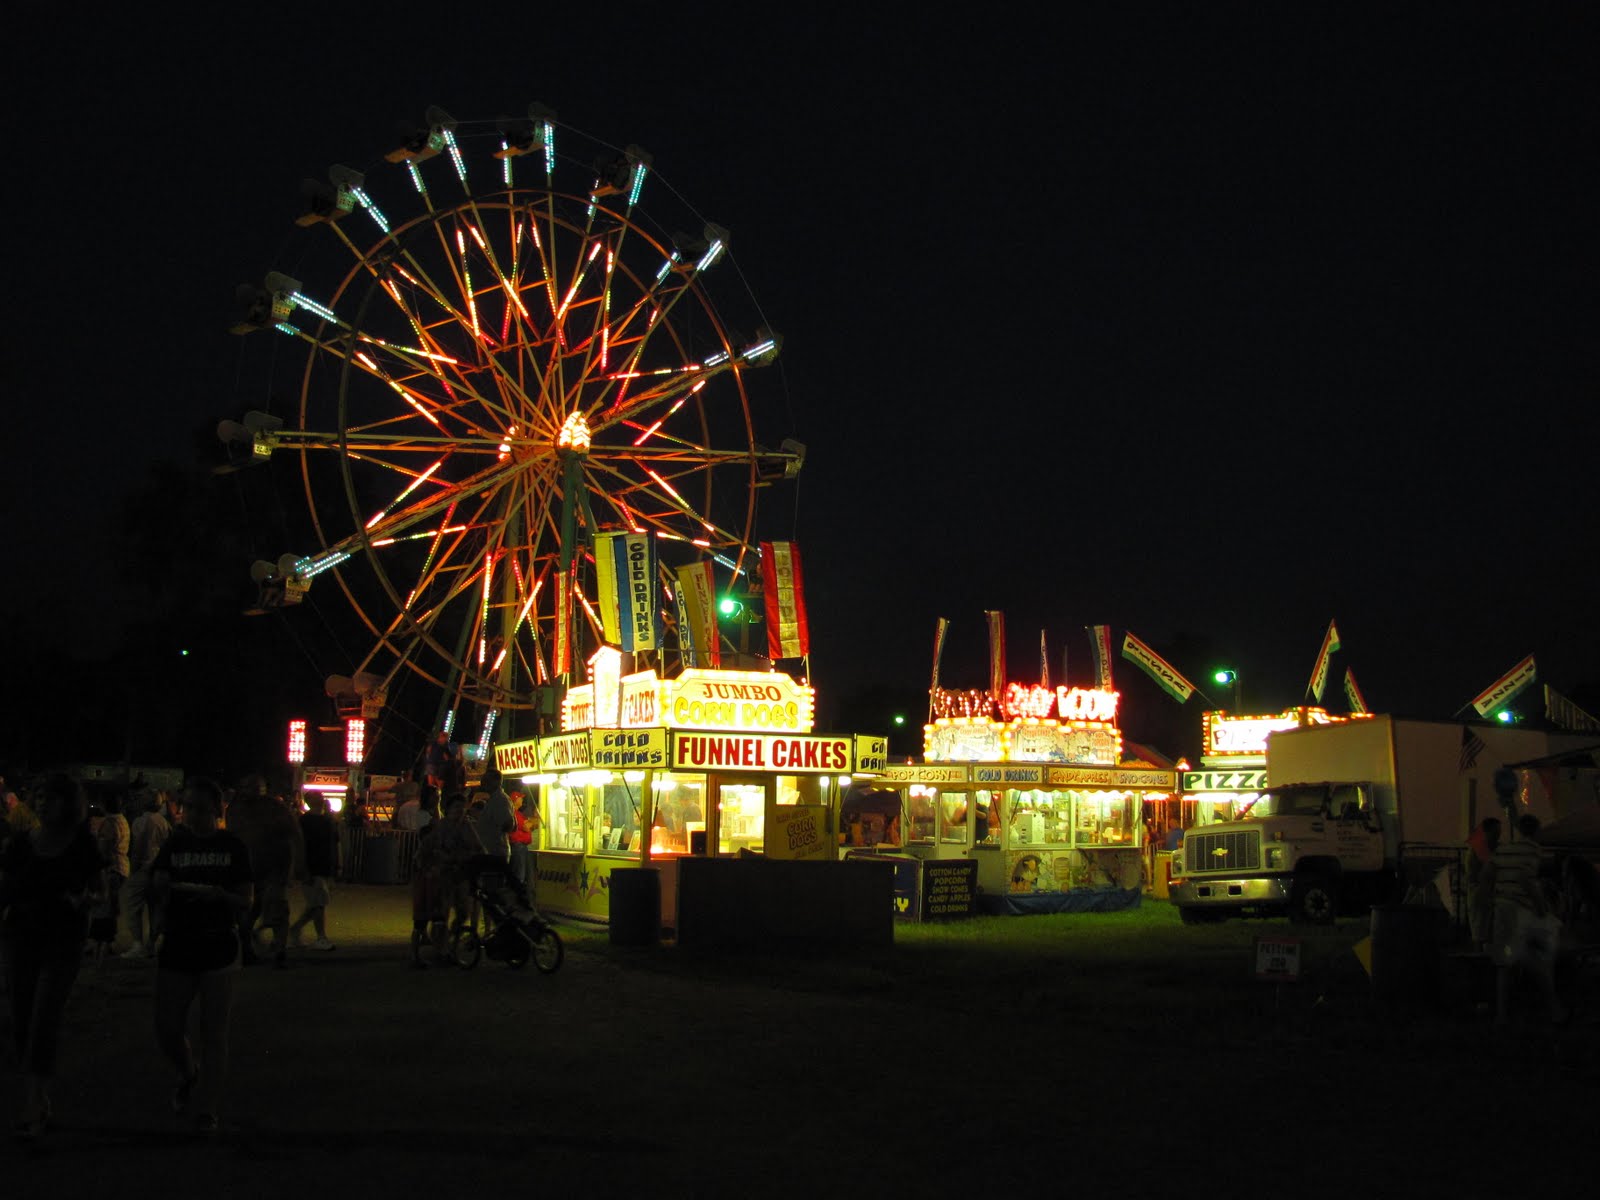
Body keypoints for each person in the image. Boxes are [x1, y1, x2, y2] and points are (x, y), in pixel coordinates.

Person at [0, 773, 104, 1139]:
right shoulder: (21, 844)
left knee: (44, 1015)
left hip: (62, 940)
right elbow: (6, 886)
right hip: (22, 937)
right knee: (23, 1018)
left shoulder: (80, 844)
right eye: (39, 795)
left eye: (52, 797)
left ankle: (35, 1099)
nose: (43, 803)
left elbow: (98, 891)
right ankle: (36, 1097)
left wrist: (82, 901)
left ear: (69, 803)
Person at [151, 778, 254, 1136]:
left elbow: (245, 899)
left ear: (216, 810)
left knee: (214, 1032)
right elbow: (159, 882)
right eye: (186, 806)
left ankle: (208, 1108)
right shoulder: (175, 842)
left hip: (218, 945)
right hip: (179, 943)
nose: (190, 814)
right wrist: (161, 889)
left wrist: (220, 896)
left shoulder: (232, 847)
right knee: (167, 1026)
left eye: (198, 807)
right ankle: (186, 1071)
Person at [1484, 812, 1565, 1026]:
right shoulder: (1534, 850)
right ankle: (1554, 1010)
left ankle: (1501, 1016)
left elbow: (1488, 874)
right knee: (1540, 959)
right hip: (1522, 913)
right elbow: (1526, 879)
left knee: (1504, 964)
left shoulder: (1503, 850)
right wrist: (1541, 907)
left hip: (1502, 910)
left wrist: (1493, 896)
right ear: (1537, 831)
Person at [122, 790, 174, 959]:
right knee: (156, 907)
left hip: (143, 869)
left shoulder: (141, 821)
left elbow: (138, 847)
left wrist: (134, 868)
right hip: (159, 870)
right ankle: (151, 943)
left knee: (133, 906)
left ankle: (138, 944)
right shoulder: (163, 822)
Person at [289, 792, 339, 951]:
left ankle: (297, 929)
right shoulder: (307, 821)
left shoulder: (324, 820)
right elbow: (300, 845)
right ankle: (320, 936)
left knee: (317, 903)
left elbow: (333, 844)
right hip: (313, 866)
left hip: (321, 866)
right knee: (319, 903)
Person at [88, 792, 131, 964]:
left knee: (103, 909)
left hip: (111, 869)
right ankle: (106, 944)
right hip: (122, 867)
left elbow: (103, 850)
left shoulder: (109, 823)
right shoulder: (122, 820)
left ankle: (101, 946)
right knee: (111, 908)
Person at [433, 793, 484, 934]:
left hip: (461, 873)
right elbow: (435, 848)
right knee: (443, 911)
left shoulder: (466, 825)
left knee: (463, 912)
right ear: (448, 809)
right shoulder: (442, 826)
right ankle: (442, 944)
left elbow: (478, 845)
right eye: (457, 807)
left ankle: (452, 936)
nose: (460, 810)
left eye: (462, 807)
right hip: (445, 873)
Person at [1465, 816, 1502, 948]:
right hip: (1480, 894)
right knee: (1480, 932)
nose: (1498, 835)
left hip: (1492, 895)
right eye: (1496, 832)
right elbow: (1473, 875)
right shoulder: (1478, 851)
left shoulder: (1494, 850)